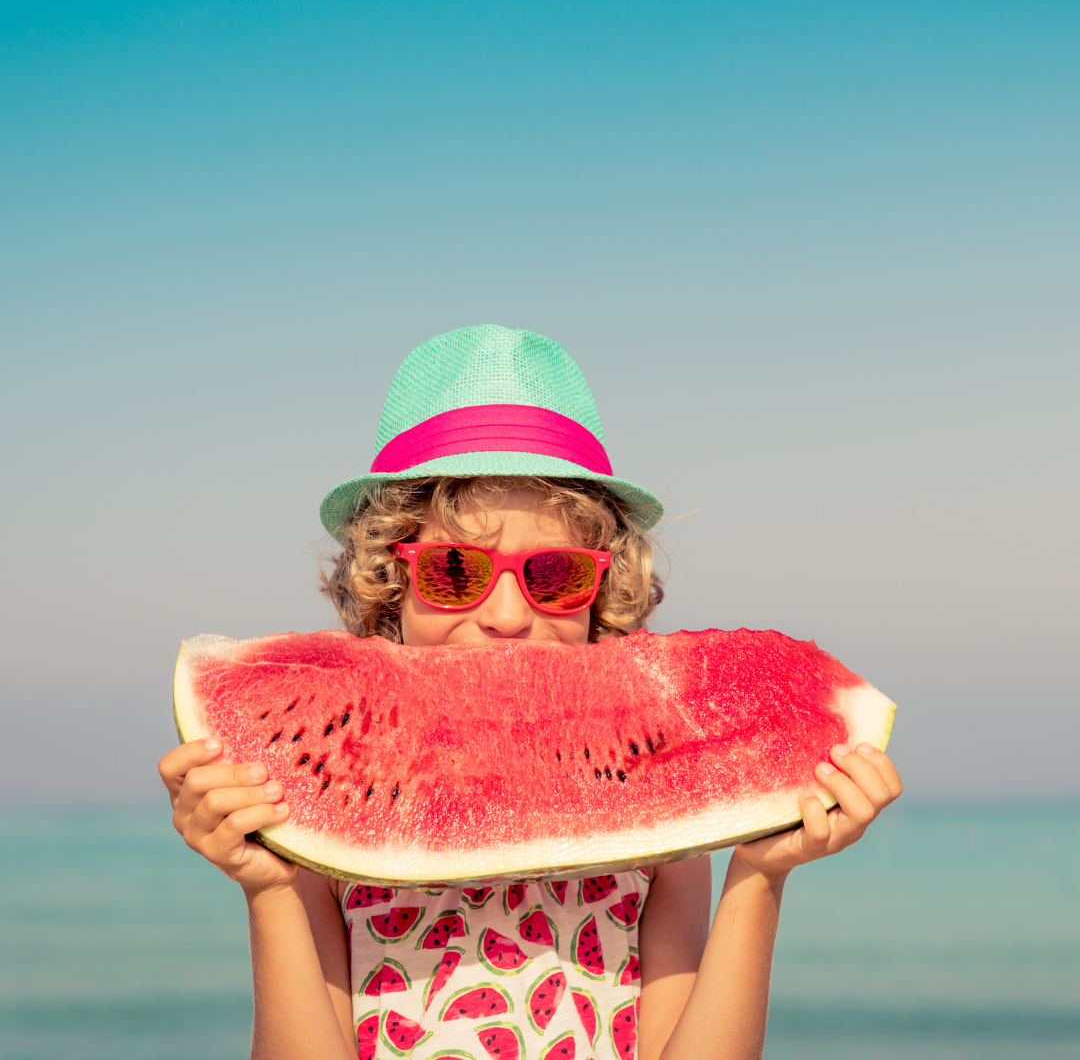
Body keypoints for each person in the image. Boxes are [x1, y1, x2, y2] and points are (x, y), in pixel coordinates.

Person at [158, 325, 902, 1060]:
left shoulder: (656, 821)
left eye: (554, 575)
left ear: (601, 586)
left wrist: (759, 874)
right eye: (454, 571)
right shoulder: (319, 817)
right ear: (390, 581)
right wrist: (269, 886)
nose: (507, 618)